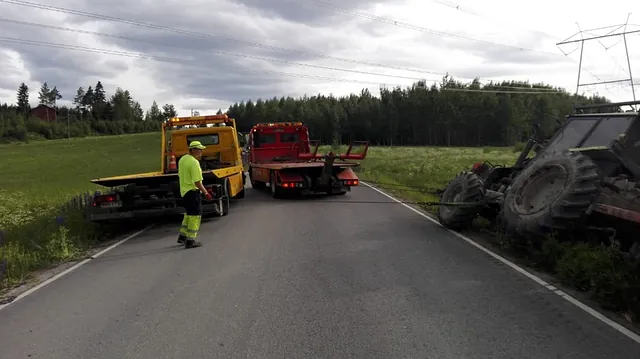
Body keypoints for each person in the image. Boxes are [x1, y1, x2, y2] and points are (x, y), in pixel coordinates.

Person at [177, 140, 213, 248]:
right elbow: (197, 182)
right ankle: (190, 241)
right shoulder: (194, 162)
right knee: (195, 216)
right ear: (193, 150)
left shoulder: (183, 159)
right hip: (192, 192)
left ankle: (182, 236)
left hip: (184, 191)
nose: (201, 151)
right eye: (199, 149)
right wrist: (206, 192)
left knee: (188, 215)